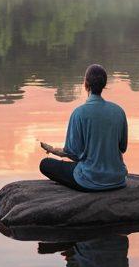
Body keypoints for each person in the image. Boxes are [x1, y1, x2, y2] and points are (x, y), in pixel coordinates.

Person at [38, 64, 127, 192]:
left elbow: (73, 154)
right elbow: (122, 148)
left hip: (90, 181)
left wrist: (52, 150)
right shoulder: (119, 111)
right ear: (104, 85)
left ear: (86, 84)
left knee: (45, 165)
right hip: (117, 179)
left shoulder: (78, 113)